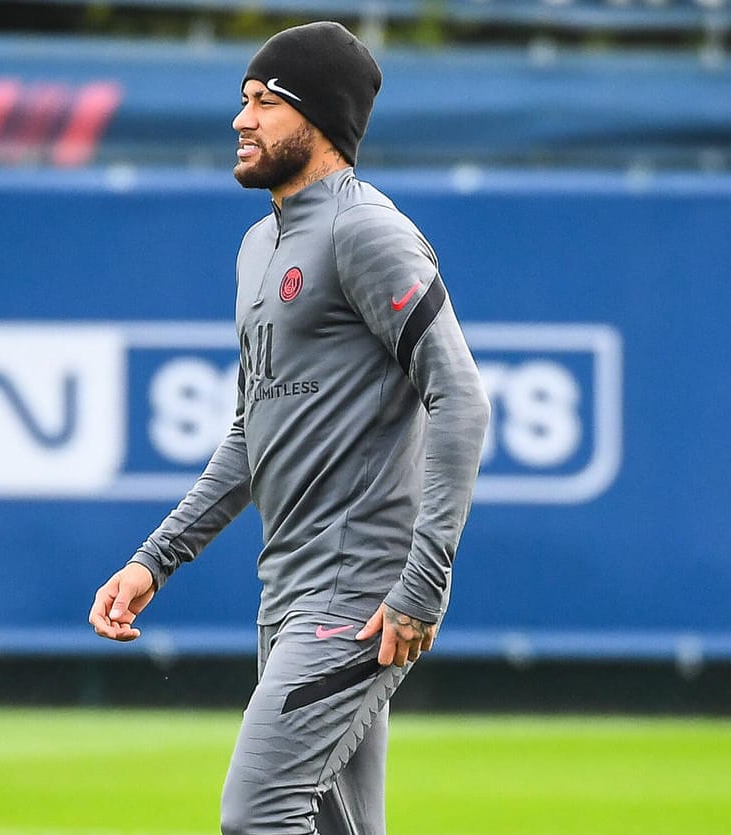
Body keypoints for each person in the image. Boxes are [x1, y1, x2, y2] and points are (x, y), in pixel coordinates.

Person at [89, 20, 490, 835]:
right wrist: (154, 559)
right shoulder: (255, 248)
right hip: (286, 595)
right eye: (243, 99)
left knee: (258, 810)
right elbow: (249, 433)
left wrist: (424, 582)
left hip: (356, 596)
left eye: (267, 102)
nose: (243, 118)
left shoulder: (365, 231)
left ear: (322, 119)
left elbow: (462, 399)